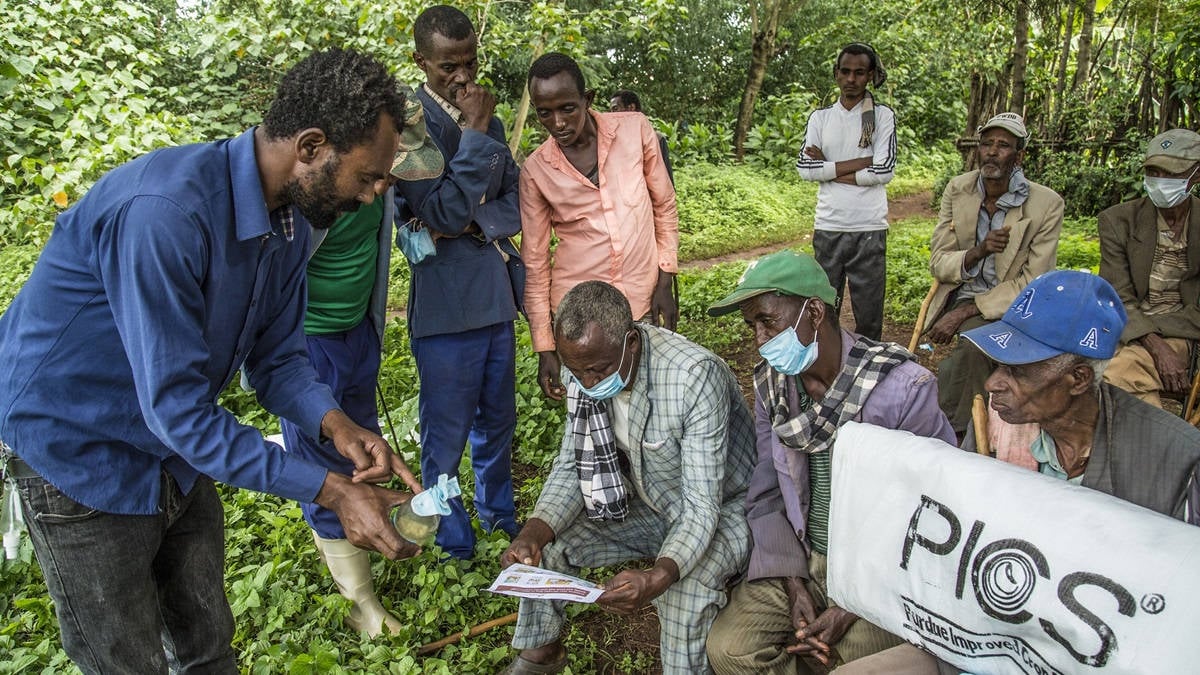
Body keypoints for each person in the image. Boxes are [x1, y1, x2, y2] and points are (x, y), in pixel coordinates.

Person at [0, 49, 422, 673]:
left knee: (206, 641)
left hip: (172, 451)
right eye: (367, 177)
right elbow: (177, 408)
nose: (371, 198)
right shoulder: (165, 214)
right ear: (310, 146)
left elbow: (277, 362)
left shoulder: (294, 225)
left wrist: (337, 426)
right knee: (125, 659)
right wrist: (330, 491)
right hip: (77, 449)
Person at [703, 250, 956, 673]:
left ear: (815, 312)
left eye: (768, 321)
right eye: (753, 326)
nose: (760, 340)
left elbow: (933, 513)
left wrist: (852, 605)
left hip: (881, 569)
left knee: (860, 662)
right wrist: (794, 581)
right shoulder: (774, 387)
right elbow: (766, 491)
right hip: (805, 554)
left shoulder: (902, 388)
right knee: (730, 649)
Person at [498, 281, 754, 675]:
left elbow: (703, 506)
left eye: (598, 370)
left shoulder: (692, 377)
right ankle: (541, 653)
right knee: (549, 548)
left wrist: (660, 574)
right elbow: (571, 466)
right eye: (576, 371)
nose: (587, 384)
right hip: (653, 503)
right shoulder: (583, 371)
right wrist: (532, 533)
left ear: (631, 342)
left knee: (681, 595)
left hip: (726, 510)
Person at [279, 87, 445, 635]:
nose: (380, 190)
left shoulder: (374, 191)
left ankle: (368, 540)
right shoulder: (309, 199)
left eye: (390, 177)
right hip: (309, 343)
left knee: (363, 450)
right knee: (324, 466)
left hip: (358, 332)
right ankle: (360, 605)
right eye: (374, 175)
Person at [394, 4, 524, 560]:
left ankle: (498, 516)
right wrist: (472, 137)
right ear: (422, 61)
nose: (464, 75)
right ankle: (450, 539)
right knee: (444, 437)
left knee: (497, 423)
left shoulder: (489, 119)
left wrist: (475, 219)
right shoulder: (406, 128)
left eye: (470, 60)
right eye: (449, 65)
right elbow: (439, 216)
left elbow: (516, 202)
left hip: (494, 297)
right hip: (445, 308)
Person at [962, 269, 1200, 512]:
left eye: (1017, 371)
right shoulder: (994, 423)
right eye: (999, 366)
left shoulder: (1175, 459)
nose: (992, 384)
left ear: (1079, 379)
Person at [521, 52, 679, 401]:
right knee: (594, 424)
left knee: (654, 404)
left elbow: (663, 205)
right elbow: (534, 262)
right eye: (544, 113)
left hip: (642, 300)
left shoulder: (634, 130)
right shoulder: (535, 170)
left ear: (587, 99)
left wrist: (666, 278)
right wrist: (545, 346)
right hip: (580, 322)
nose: (558, 123)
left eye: (567, 109)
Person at [923, 112, 1064, 439]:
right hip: (961, 292)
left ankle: (957, 431)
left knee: (975, 345)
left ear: (1019, 156)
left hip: (1013, 303)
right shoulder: (959, 190)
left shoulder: (1046, 204)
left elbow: (1033, 283)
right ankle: (963, 428)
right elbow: (939, 262)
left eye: (1003, 146)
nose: (992, 152)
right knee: (975, 346)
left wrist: (965, 312)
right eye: (987, 144)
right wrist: (979, 251)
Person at [795, 43, 896, 340]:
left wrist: (827, 167)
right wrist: (861, 163)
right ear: (836, 74)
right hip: (829, 226)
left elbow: (884, 170)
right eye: (846, 71)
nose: (851, 79)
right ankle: (826, 370)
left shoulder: (882, 116)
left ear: (871, 76)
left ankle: (869, 375)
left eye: (859, 72)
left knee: (869, 315)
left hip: (869, 227)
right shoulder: (821, 118)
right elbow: (804, 169)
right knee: (825, 312)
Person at [1099, 128, 1200, 408]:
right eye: (1154, 172)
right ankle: (1164, 445)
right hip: (1128, 327)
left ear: (1196, 174)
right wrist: (1153, 342)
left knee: (1122, 370)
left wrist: (1155, 334)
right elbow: (1116, 295)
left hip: (1185, 333)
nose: (1160, 181)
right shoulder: (1118, 221)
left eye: (1171, 174)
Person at [610, 88, 674, 183]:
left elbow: (666, 180)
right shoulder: (612, 140)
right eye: (611, 110)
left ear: (631, 107)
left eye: (615, 109)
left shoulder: (656, 139)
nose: (611, 115)